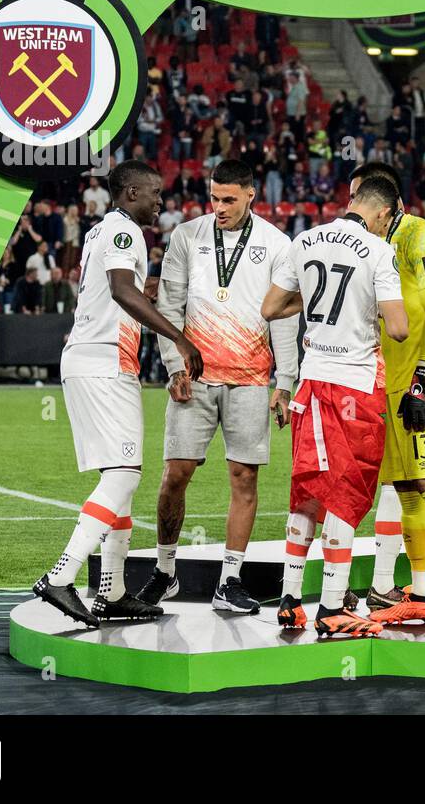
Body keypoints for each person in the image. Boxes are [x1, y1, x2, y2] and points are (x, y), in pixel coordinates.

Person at [31, 162, 205, 627]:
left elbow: (120, 292)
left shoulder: (104, 231)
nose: (160, 201)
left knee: (121, 475)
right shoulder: (125, 232)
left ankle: (113, 591)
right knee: (125, 475)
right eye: (154, 192)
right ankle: (61, 576)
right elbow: (122, 291)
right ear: (130, 192)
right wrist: (180, 338)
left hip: (101, 359)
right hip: (103, 362)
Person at [134, 160, 299, 614]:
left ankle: (230, 581)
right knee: (175, 476)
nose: (220, 207)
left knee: (244, 478)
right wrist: (173, 367)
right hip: (196, 376)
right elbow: (169, 303)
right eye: (214, 198)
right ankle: (165, 573)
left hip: (249, 379)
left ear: (250, 195)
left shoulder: (277, 245)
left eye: (229, 199)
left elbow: (284, 316)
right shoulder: (187, 236)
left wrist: (284, 383)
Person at [262, 174, 408, 638]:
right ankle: (331, 608)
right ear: (384, 213)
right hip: (353, 387)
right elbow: (400, 328)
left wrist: (313, 307)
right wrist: (373, 309)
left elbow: (270, 308)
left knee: (306, 492)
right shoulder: (380, 252)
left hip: (309, 385)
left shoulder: (303, 241)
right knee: (344, 497)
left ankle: (289, 601)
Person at [335, 165, 425, 633]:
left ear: (386, 205)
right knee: (406, 489)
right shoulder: (373, 245)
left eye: (362, 206)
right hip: (392, 380)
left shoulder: (421, 237)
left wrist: (421, 378)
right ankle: (421, 594)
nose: (354, 217)